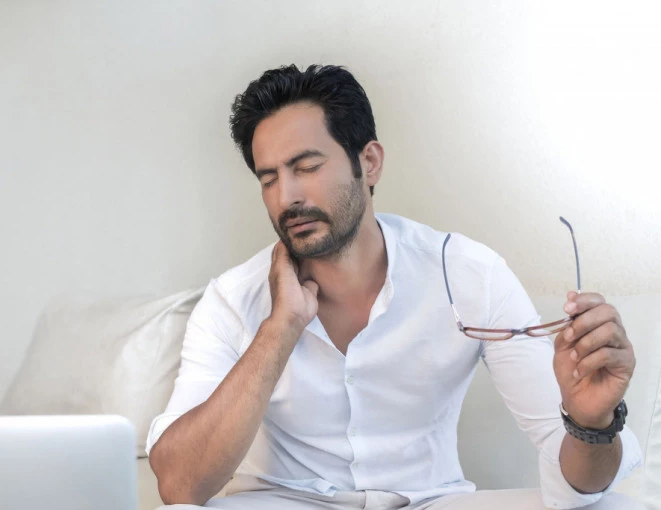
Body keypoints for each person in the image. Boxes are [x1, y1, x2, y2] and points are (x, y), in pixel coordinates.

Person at [147, 65, 643, 509]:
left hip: (431, 501)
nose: (287, 197)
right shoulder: (233, 299)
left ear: (369, 162)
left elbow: (583, 484)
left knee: (616, 508)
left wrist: (589, 423)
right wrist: (280, 329)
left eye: (307, 167)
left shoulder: (466, 273)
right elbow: (178, 485)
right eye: (269, 178)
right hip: (285, 502)